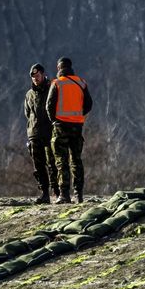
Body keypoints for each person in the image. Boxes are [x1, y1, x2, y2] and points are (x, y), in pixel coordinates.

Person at [47, 57, 92, 204]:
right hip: (77, 127)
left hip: (60, 126)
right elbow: (89, 104)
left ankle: (64, 195)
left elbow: (49, 105)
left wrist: (54, 120)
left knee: (61, 162)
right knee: (76, 161)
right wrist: (78, 115)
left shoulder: (57, 83)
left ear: (58, 68)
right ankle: (78, 195)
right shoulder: (81, 82)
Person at [24, 63, 59, 204]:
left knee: (53, 163)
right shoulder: (29, 94)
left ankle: (57, 192)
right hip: (35, 133)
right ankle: (44, 193)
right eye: (33, 77)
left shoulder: (52, 88)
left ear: (43, 74)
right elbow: (27, 113)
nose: (35, 79)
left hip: (50, 132)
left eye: (37, 76)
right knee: (38, 165)